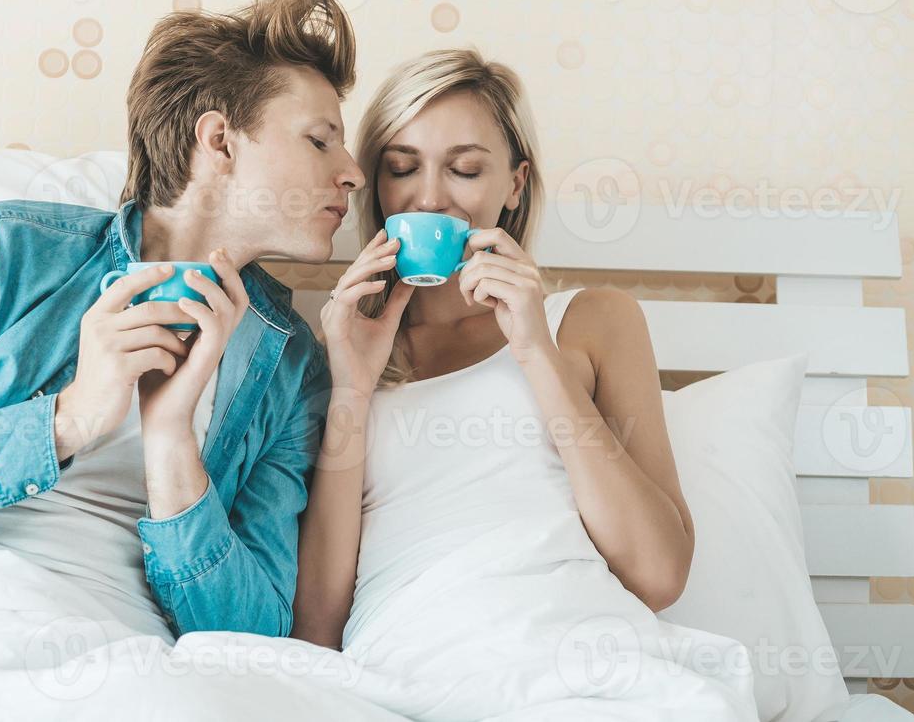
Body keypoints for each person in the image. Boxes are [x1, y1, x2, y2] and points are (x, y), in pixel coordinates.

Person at [0, 0, 366, 642]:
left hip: (111, 661)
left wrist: (172, 443)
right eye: (320, 140)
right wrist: (67, 421)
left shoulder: (288, 366)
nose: (352, 173)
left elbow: (252, 633)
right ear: (219, 140)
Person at [292, 47, 698, 656]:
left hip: (581, 650)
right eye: (402, 167)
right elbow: (317, 630)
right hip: (408, 660)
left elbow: (659, 575)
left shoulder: (592, 322)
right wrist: (351, 389)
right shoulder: (339, 351)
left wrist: (535, 351)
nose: (427, 199)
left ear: (514, 184)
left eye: (464, 169)